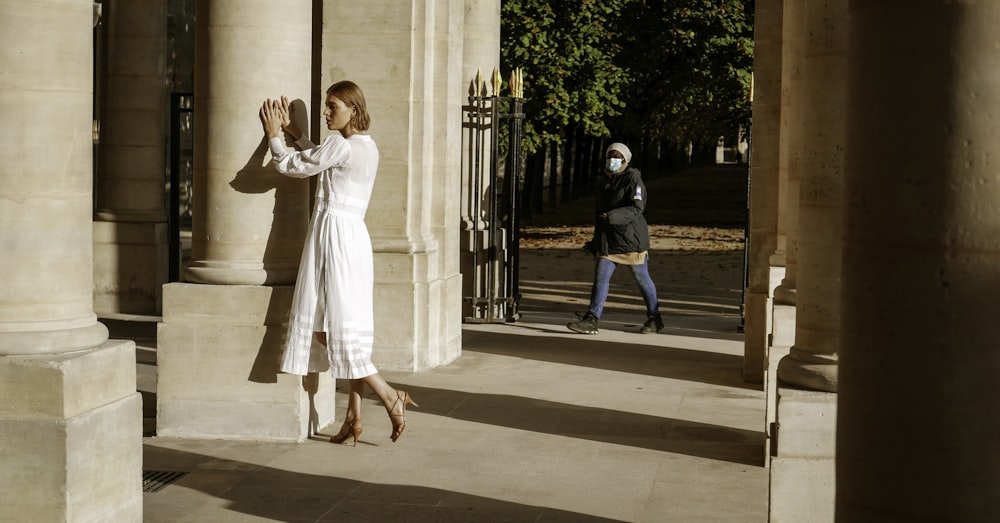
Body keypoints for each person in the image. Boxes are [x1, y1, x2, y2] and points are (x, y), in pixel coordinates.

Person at [259, 81, 417, 446]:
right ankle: (354, 418)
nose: (327, 112)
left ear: (354, 109)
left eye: (333, 106)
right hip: (353, 238)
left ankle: (390, 395)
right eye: (326, 106)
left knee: (326, 328)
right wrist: (296, 131)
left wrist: (274, 137)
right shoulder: (365, 146)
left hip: (333, 238)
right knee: (344, 325)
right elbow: (326, 156)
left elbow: (292, 166)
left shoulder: (341, 145)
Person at [566, 142, 664, 335]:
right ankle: (592, 319)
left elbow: (637, 208)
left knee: (642, 279)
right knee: (600, 279)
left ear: (625, 159)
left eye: (617, 155)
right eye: (610, 155)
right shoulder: (603, 180)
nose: (613, 159)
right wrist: (596, 242)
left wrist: (612, 217)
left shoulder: (633, 179)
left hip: (630, 239)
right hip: (608, 241)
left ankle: (655, 318)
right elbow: (598, 214)